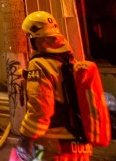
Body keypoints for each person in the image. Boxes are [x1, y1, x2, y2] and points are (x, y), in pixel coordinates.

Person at [17, 11, 93, 161]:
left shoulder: (39, 64)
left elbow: (40, 109)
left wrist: (26, 138)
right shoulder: (70, 61)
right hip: (80, 143)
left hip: (54, 145)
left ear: (36, 39)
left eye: (29, 37)